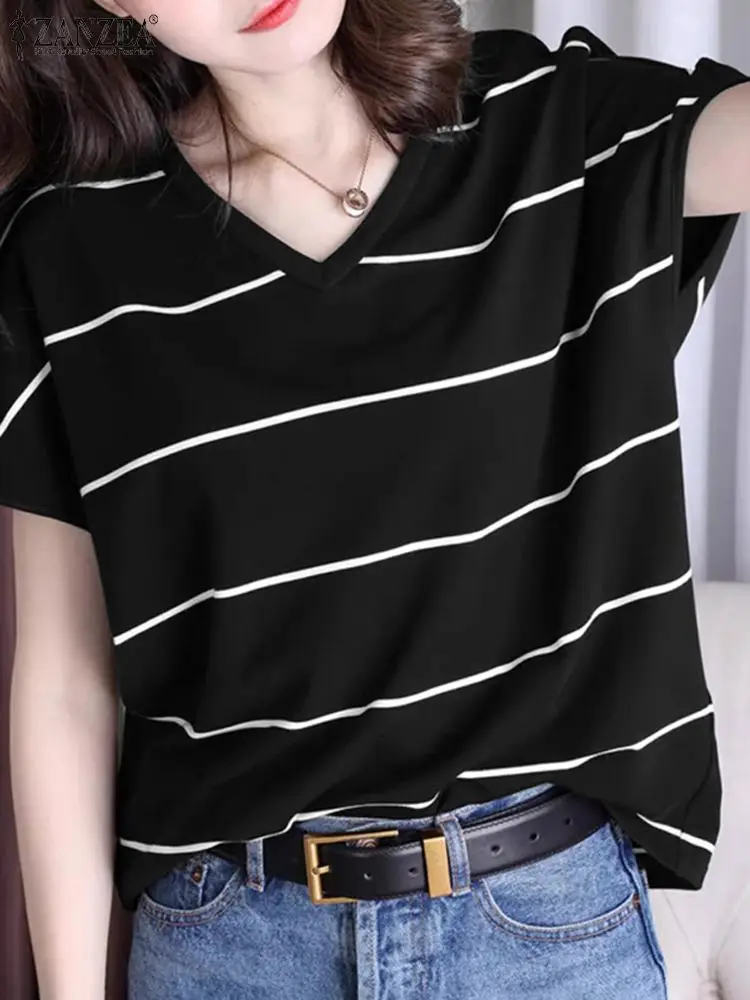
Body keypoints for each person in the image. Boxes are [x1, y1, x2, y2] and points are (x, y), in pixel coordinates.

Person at [1, 1, 748, 997]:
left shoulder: (554, 123)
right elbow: (64, 682)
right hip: (231, 948)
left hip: (546, 936)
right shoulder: (68, 246)